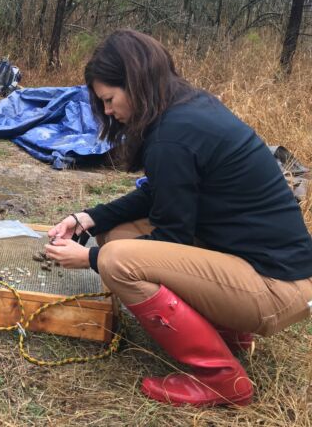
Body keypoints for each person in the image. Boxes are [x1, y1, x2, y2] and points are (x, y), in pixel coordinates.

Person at [43, 30, 312, 407]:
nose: (107, 111)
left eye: (109, 99)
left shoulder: (174, 134)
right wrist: (87, 218)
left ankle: (220, 378)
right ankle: (227, 332)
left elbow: (174, 236)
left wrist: (88, 259)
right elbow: (160, 193)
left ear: (135, 83)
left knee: (116, 259)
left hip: (276, 287)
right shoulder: (186, 109)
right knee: (116, 233)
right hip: (262, 269)